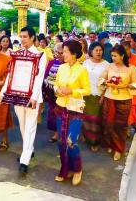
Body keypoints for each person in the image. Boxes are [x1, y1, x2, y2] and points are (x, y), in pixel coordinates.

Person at [0, 26, 47, 174]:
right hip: (17, 94)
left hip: (33, 96)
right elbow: (11, 74)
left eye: (25, 36)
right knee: (23, 126)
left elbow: (39, 78)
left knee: (31, 126)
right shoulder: (16, 54)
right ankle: (29, 149)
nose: (22, 39)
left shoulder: (40, 55)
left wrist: (34, 97)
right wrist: (3, 92)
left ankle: (24, 159)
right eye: (21, 36)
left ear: (32, 38)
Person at [54, 40, 91, 185]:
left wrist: (72, 91)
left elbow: (87, 90)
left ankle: (77, 169)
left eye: (65, 52)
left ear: (74, 54)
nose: (63, 54)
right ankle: (65, 169)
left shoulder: (82, 70)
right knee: (61, 141)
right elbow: (56, 84)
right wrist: (57, 90)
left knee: (71, 141)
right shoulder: (61, 67)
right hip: (60, 107)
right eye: (63, 52)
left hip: (75, 110)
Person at [99, 45, 136, 161]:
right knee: (108, 123)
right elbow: (101, 79)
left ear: (122, 56)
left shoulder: (131, 68)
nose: (113, 58)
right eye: (112, 56)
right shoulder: (109, 66)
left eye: (115, 56)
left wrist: (126, 85)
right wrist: (106, 82)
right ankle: (110, 144)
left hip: (124, 99)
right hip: (109, 98)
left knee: (120, 125)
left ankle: (118, 149)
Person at [82, 42, 109, 151]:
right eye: (96, 50)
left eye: (100, 50)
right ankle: (86, 136)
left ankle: (95, 142)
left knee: (96, 120)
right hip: (85, 94)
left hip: (98, 95)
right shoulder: (86, 62)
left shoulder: (106, 64)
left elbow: (106, 83)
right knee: (85, 118)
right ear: (91, 51)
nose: (99, 52)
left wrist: (103, 96)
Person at [42, 43, 64, 143]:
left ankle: (61, 133)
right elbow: (45, 76)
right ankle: (56, 132)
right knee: (53, 113)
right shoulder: (52, 62)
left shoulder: (67, 64)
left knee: (62, 114)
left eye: (61, 53)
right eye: (57, 52)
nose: (59, 55)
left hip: (62, 94)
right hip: (51, 93)